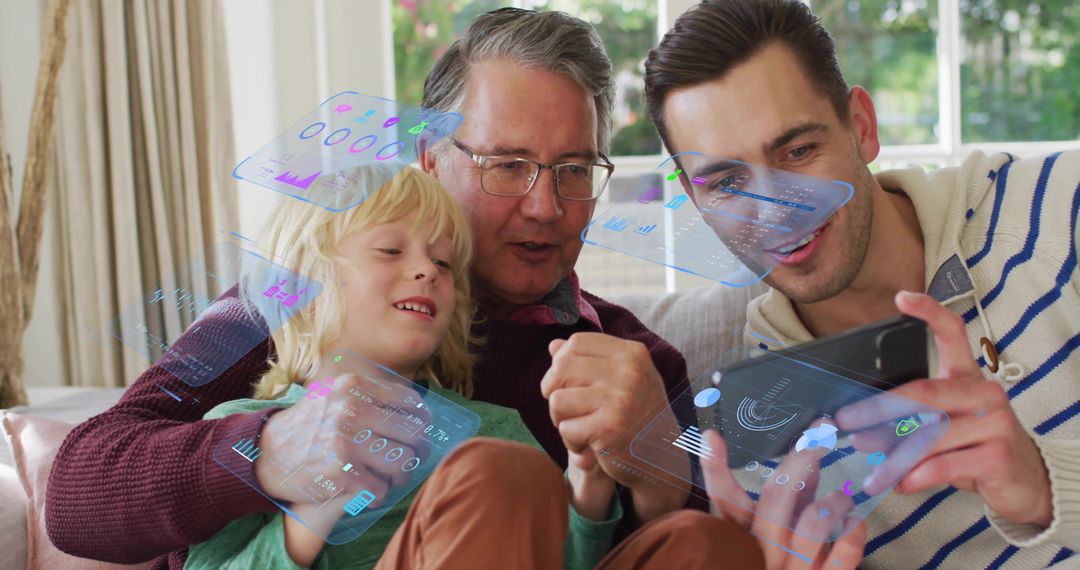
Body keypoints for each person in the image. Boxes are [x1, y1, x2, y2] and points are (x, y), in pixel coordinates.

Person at [46, 9, 702, 568]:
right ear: (430, 160)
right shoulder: (291, 300)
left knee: (698, 539)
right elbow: (78, 491)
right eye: (507, 165)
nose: (544, 206)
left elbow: (729, 519)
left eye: (574, 170)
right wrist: (270, 452)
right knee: (497, 474)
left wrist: (661, 478)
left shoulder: (629, 359)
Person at [642, 0, 1080, 567]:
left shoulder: (1061, 208)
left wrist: (1048, 487)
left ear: (862, 128)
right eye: (727, 182)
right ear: (696, 198)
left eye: (797, 151)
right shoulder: (754, 450)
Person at [184, 167, 627, 569]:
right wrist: (316, 510)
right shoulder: (244, 431)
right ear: (302, 282)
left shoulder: (495, 430)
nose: (426, 271)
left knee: (685, 537)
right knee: (491, 467)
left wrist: (588, 483)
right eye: (391, 250)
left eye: (443, 262)